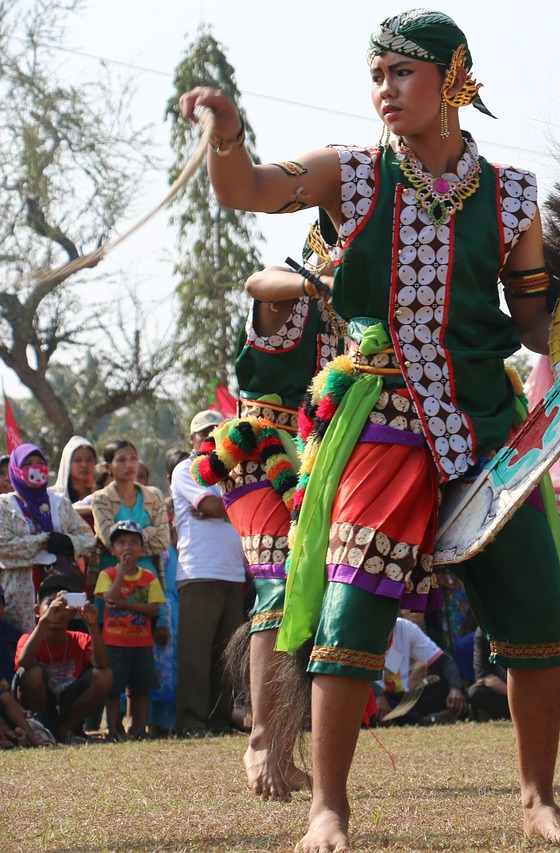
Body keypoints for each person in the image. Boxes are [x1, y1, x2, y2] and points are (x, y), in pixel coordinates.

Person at [181, 11, 560, 845]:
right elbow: (248, 189)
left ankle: (538, 797)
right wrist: (227, 136)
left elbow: (537, 328)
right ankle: (328, 804)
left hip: (489, 422)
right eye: (376, 75)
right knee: (353, 606)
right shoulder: (353, 172)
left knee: (539, 608)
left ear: (453, 79)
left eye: (402, 73)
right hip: (383, 414)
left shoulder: (514, 195)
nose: (385, 90)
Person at [189, 242, 334, 802]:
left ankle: (283, 743)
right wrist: (316, 282)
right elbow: (258, 283)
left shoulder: (348, 317)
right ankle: (259, 741)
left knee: (309, 596)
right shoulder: (292, 297)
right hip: (256, 453)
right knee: (278, 587)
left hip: (311, 460)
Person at [171, 410, 248, 738]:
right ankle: (191, 722)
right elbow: (210, 506)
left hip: (233, 572)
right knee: (196, 654)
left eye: (217, 433)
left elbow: (219, 508)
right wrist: (237, 507)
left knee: (226, 656)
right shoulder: (186, 469)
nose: (210, 439)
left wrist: (224, 509)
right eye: (204, 434)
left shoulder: (234, 471)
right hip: (199, 571)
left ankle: (218, 721)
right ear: (192, 440)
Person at [0, 445, 94, 634]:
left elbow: (89, 539)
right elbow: (4, 547)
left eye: (40, 463)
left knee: (69, 642)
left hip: (64, 583)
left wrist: (68, 542)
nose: (35, 468)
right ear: (16, 470)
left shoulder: (60, 503)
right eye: (27, 464)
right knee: (27, 649)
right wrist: (43, 541)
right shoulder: (4, 505)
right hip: (21, 595)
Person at [94, 520, 164, 739]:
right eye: (121, 542)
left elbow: (153, 608)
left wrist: (125, 606)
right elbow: (109, 600)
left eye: (134, 542)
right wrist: (122, 573)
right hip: (114, 642)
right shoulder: (108, 574)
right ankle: (113, 729)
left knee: (140, 688)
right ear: (112, 550)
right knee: (113, 689)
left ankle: (138, 729)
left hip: (141, 642)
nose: (127, 547)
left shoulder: (149, 577)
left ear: (142, 549)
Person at [13, 587, 112, 743]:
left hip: (68, 705)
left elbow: (102, 664)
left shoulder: (80, 639)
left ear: (72, 613)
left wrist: (92, 625)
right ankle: (39, 728)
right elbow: (24, 662)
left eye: (63, 607)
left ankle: (65, 730)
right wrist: (44, 621)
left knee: (104, 675)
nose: (57, 612)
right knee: (32, 673)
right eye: (52, 605)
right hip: (39, 706)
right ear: (37, 611)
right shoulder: (28, 638)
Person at [91, 440, 169, 587]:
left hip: (147, 578)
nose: (129, 464)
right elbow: (109, 539)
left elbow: (163, 541)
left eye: (133, 458)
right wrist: (149, 532)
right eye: (121, 460)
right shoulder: (101, 498)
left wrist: (124, 544)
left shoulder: (154, 496)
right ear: (108, 467)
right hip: (111, 579)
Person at [373, 616, 467, 725]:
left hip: (403, 696)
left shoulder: (405, 627)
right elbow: (357, 670)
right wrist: (378, 695)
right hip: (375, 695)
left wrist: (455, 688)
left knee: (448, 687)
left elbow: (444, 661)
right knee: (363, 699)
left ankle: (400, 719)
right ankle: (422, 720)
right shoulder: (362, 631)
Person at [468, 629, 510, 721]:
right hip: (507, 693)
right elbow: (484, 676)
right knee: (475, 691)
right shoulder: (484, 631)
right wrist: (516, 694)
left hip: (535, 686)